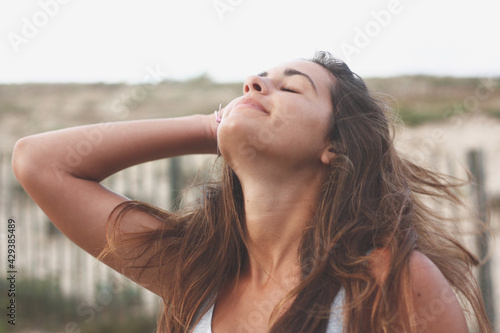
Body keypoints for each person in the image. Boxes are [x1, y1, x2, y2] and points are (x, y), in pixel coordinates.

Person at [12, 51, 492, 333]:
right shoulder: (196, 274)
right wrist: (214, 126)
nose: (255, 83)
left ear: (334, 144)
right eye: (255, 81)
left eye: (291, 89)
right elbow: (38, 161)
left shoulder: (389, 282)